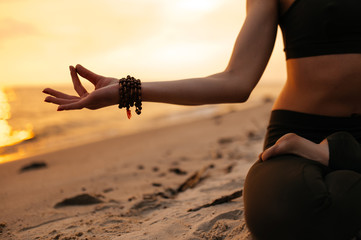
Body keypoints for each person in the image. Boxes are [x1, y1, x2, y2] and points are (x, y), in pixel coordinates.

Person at [43, 0, 361, 239]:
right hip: (296, 137)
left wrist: (335, 152)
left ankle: (339, 153)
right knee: (282, 208)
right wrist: (130, 90)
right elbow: (235, 80)